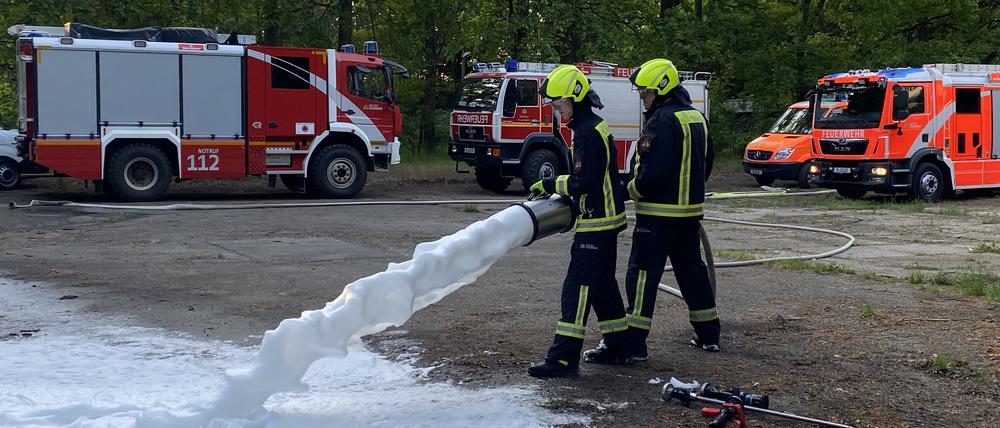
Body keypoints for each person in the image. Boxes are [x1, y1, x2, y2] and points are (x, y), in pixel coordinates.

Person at [526, 65, 636, 378]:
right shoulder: (592, 127)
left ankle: (562, 358)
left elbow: (583, 181)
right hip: (606, 221)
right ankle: (619, 346)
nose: (557, 112)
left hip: (596, 225)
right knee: (602, 287)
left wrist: (551, 184)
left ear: (575, 98)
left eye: (559, 105)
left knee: (576, 288)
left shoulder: (586, 133)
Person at [621, 58, 720, 357]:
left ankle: (634, 343)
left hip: (657, 215)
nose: (642, 97)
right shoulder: (696, 117)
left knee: (641, 276)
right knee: (692, 273)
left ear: (662, 90)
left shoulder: (661, 120)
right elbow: (707, 162)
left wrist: (632, 189)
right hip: (689, 214)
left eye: (646, 92)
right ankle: (709, 334)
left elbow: (654, 172)